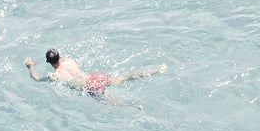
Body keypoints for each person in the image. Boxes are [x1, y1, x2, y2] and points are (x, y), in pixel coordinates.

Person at [24, 49, 167, 98]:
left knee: (112, 102)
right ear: (60, 56)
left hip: (89, 86)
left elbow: (36, 78)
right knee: (125, 77)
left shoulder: (55, 76)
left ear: (48, 62)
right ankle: (156, 70)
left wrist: (31, 66)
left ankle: (135, 107)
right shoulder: (70, 61)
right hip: (95, 76)